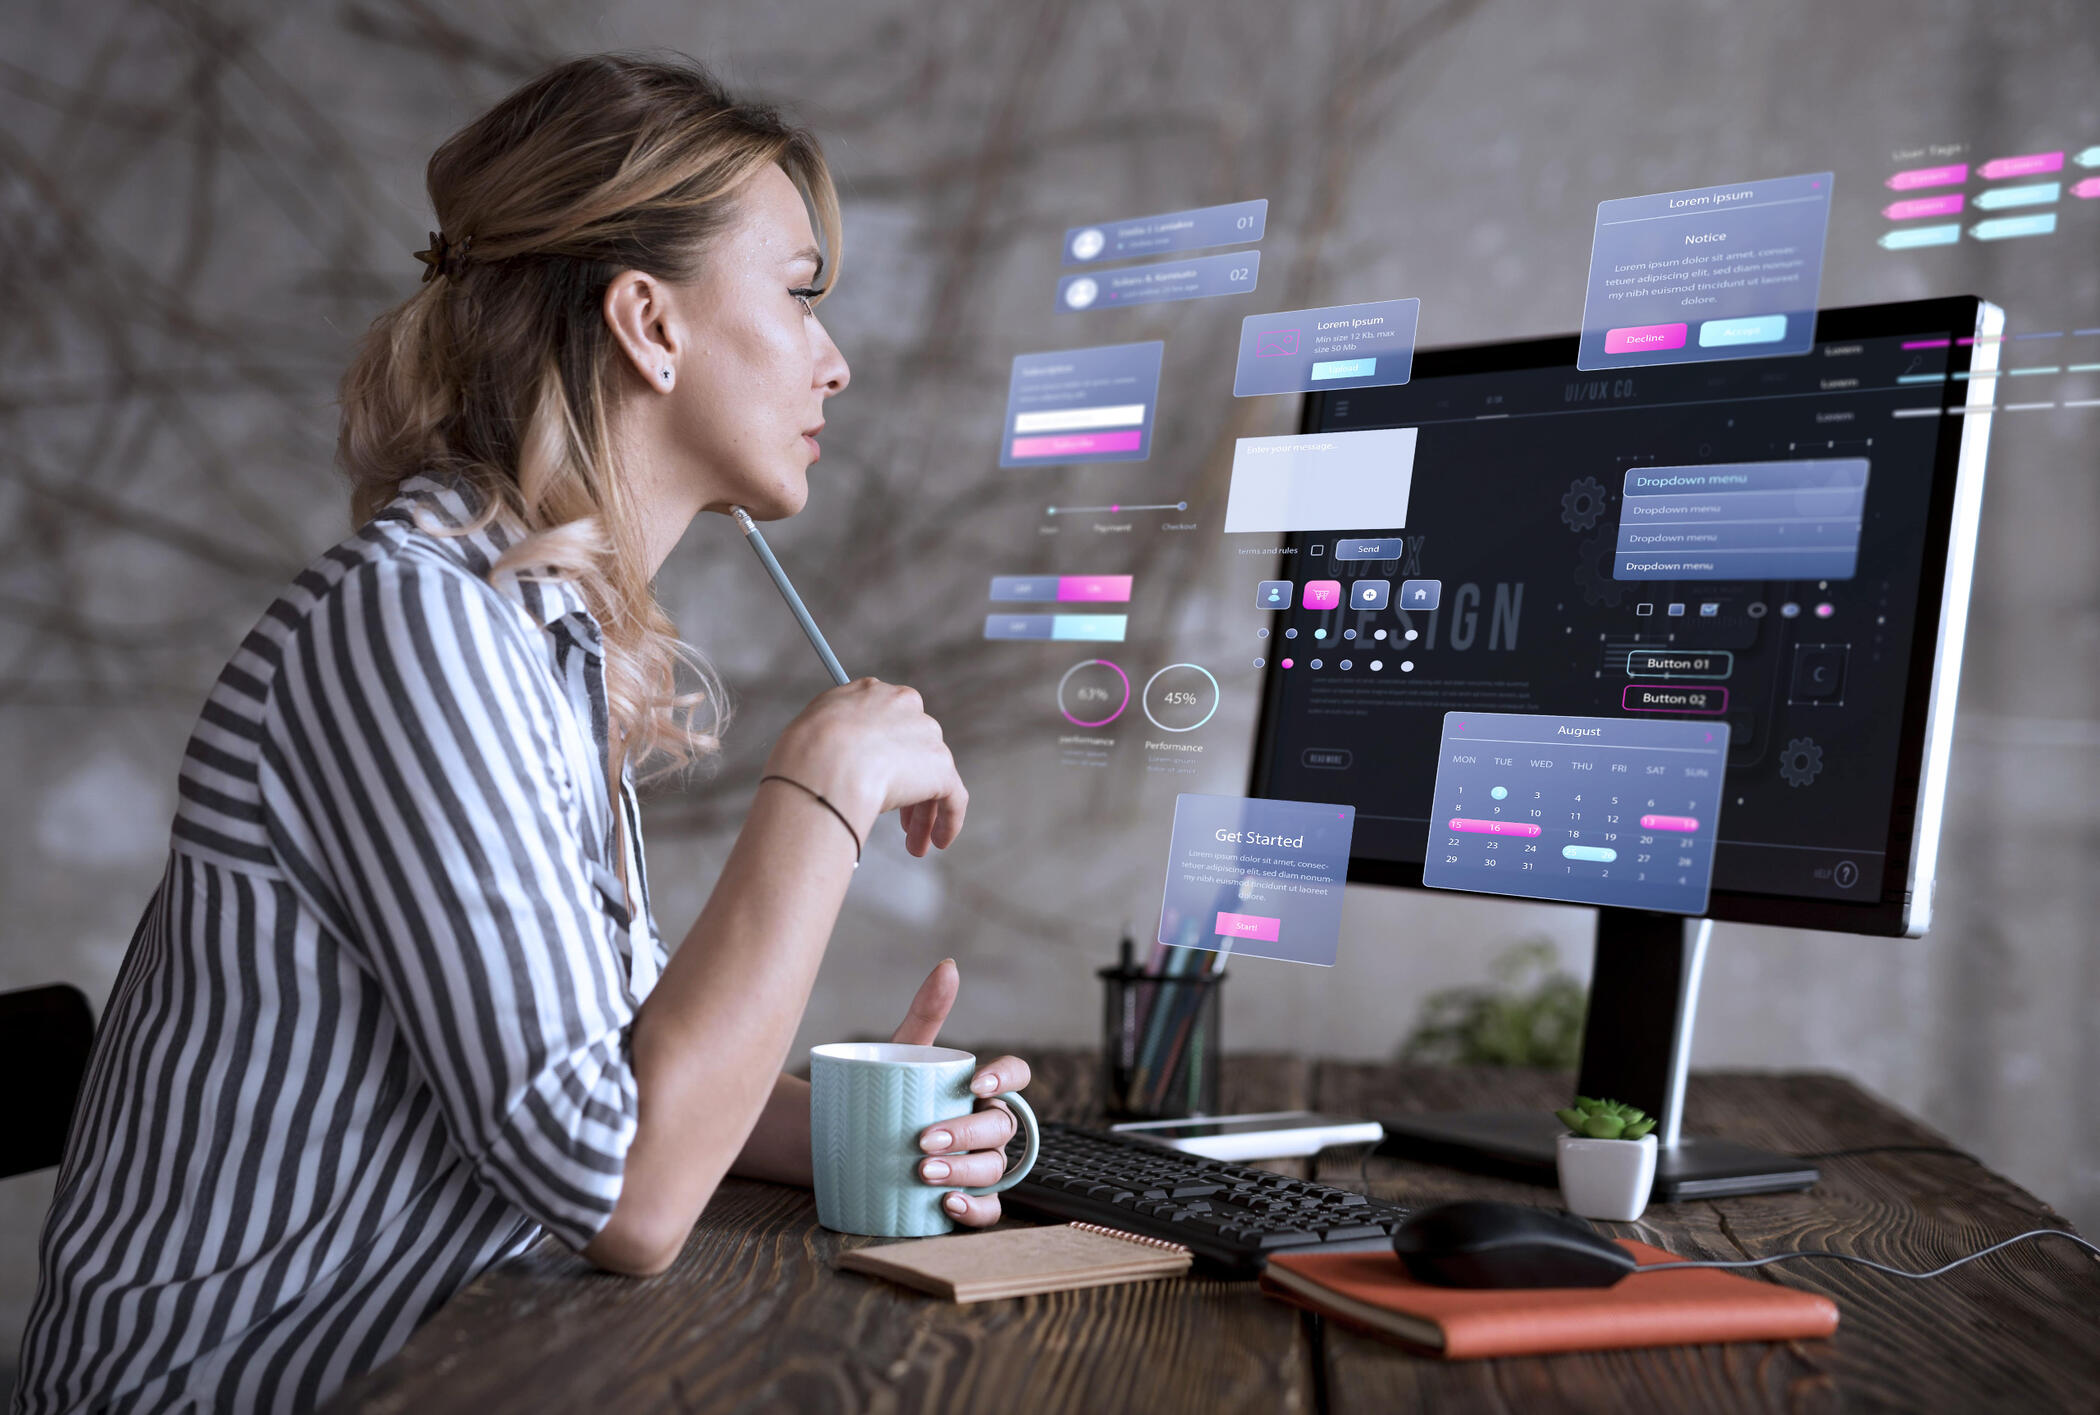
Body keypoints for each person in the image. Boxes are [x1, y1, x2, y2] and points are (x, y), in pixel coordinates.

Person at [13, 53, 1029, 1414]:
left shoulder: (533, 636)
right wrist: (823, 784)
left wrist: (881, 1134)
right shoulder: (413, 630)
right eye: (798, 296)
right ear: (648, 326)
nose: (833, 363)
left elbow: (600, 1084)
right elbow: (625, 1193)